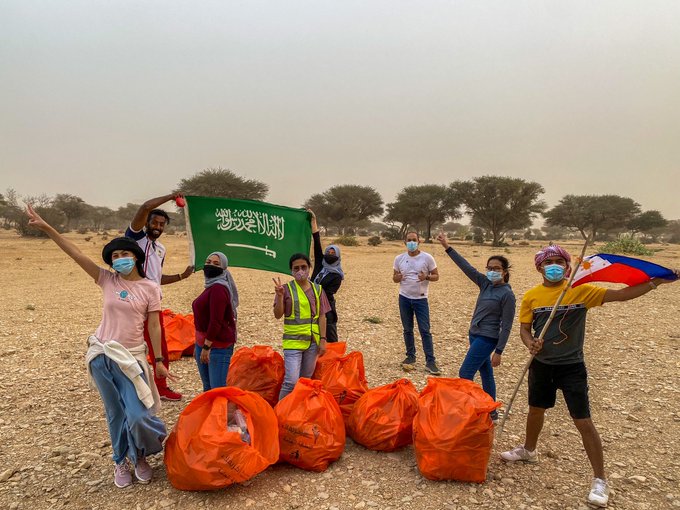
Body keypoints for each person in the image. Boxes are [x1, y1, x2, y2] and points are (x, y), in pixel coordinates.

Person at [500, 244, 679, 508]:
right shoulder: (532, 297)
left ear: (567, 266)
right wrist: (530, 343)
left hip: (572, 366)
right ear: (539, 268)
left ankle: (600, 479)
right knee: (535, 410)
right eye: (548, 262)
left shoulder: (581, 291)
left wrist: (655, 283)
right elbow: (524, 330)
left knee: (582, 420)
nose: (554, 267)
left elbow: (622, 295)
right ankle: (529, 450)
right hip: (540, 365)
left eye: (559, 262)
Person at [26, 205, 172, 489]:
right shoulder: (106, 279)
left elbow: (154, 326)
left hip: (132, 358)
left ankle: (142, 453)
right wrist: (48, 228)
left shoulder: (150, 288)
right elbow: (75, 252)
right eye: (115, 256)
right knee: (115, 413)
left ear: (136, 257)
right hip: (102, 356)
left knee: (139, 413)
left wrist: (160, 360)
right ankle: (122, 460)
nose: (119, 259)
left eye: (125, 254)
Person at [436, 233, 515, 421]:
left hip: (487, 338)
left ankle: (465, 411)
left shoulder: (507, 295)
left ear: (504, 271)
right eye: (489, 268)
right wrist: (447, 246)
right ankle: (492, 412)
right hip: (474, 334)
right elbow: (466, 267)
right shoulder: (485, 284)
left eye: (496, 268)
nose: (492, 271)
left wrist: (499, 350)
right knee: (486, 373)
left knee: (465, 373)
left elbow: (507, 325)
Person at [126, 193, 193, 401]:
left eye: (162, 224)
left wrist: (182, 276)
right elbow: (146, 205)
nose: (158, 226)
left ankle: (160, 387)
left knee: (159, 346)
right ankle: (129, 387)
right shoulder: (136, 238)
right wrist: (172, 197)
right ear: (146, 223)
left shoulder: (161, 248)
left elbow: (157, 278)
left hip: (153, 303)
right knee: (129, 345)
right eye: (154, 222)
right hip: (132, 301)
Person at [273, 253, 330, 400]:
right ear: (291, 270)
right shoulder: (285, 289)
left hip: (312, 342)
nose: (300, 271)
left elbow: (322, 316)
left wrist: (323, 340)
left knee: (305, 380)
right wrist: (279, 297)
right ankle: (280, 413)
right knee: (291, 381)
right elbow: (278, 314)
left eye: (303, 267)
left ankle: (298, 412)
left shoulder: (318, 290)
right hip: (293, 343)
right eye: (296, 268)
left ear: (309, 268)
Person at [393, 231, 441, 375]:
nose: (412, 242)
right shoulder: (399, 258)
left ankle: (430, 361)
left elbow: (436, 276)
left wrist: (426, 276)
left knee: (425, 330)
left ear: (419, 241)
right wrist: (398, 277)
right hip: (404, 298)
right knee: (407, 329)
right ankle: (410, 356)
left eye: (414, 240)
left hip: (421, 299)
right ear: (404, 242)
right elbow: (394, 278)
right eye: (409, 240)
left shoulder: (427, 258)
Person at [192, 252, 238, 392]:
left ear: (223, 268)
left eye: (216, 264)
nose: (210, 265)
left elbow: (216, 321)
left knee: (217, 391)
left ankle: (222, 414)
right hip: (203, 344)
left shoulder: (219, 288)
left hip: (216, 347)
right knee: (208, 389)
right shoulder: (210, 287)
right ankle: (212, 414)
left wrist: (206, 347)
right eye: (208, 261)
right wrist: (198, 345)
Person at [308, 209, 344, 343]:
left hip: (326, 306)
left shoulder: (337, 276)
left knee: (330, 337)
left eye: (333, 252)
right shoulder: (320, 264)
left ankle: (334, 361)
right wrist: (314, 221)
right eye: (328, 251)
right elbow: (316, 242)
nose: (329, 253)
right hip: (310, 304)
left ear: (337, 257)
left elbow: (327, 293)